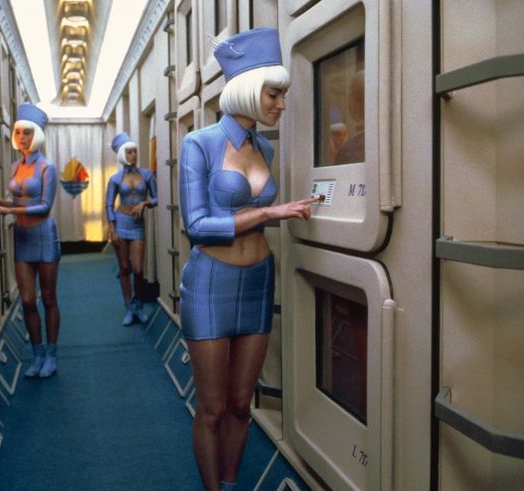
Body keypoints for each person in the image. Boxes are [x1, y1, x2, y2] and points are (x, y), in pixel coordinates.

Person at [178, 28, 319, 491]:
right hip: (210, 283)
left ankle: (232, 483)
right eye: (273, 93)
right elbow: (196, 225)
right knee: (213, 408)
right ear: (245, 89)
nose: (280, 103)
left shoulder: (266, 147)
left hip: (259, 278)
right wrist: (271, 211)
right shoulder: (198, 143)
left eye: (282, 95)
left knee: (243, 404)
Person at [0, 103, 61, 379]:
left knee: (49, 298)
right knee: (28, 300)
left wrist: (8, 211)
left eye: (27, 132)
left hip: (44, 235)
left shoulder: (47, 166)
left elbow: (43, 206)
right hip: (22, 236)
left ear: (37, 135)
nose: (21, 137)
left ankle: (51, 354)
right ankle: (37, 354)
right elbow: (17, 201)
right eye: (18, 132)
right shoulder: (17, 165)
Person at [106, 132, 158, 325]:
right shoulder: (115, 179)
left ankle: (139, 303)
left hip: (137, 225)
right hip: (121, 223)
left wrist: (145, 203)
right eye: (129, 152)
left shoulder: (147, 174)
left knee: (137, 269)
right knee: (125, 268)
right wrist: (111, 226)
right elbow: (108, 204)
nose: (133, 155)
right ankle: (129, 306)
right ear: (121, 154)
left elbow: (157, 198)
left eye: (135, 152)